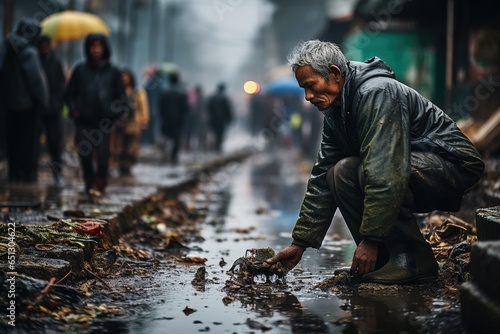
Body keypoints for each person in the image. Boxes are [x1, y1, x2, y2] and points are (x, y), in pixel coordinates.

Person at [263, 40, 485, 284]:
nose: (307, 97)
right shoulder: (335, 112)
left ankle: (412, 260)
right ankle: (383, 261)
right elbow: (322, 178)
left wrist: (370, 239)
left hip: (453, 165)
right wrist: (300, 244)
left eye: (310, 86)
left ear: (335, 75)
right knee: (339, 173)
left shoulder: (376, 92)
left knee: (367, 171)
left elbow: (385, 170)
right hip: (410, 165)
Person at [64, 33, 127, 196]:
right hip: (84, 120)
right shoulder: (80, 70)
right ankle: (88, 181)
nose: (96, 50)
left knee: (103, 156)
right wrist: (74, 110)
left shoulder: (113, 72)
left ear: (105, 48)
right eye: (93, 46)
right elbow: (69, 94)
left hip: (105, 122)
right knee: (84, 153)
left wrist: (114, 113)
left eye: (99, 46)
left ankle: (100, 184)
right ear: (88, 48)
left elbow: (121, 98)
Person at [0, 18, 48, 182]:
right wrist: (43, 101)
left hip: (8, 104)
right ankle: (26, 176)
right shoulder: (29, 52)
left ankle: (14, 174)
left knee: (12, 142)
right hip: (28, 106)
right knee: (27, 144)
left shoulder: (7, 49)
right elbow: (35, 81)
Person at [36, 34, 66, 185]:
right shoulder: (35, 60)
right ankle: (33, 172)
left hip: (53, 111)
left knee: (55, 144)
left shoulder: (56, 62)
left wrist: (56, 103)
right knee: (34, 143)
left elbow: (61, 85)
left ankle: (57, 173)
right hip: (38, 109)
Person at [113, 68, 150, 176]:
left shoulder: (138, 92)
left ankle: (127, 166)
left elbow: (144, 107)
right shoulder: (117, 91)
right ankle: (120, 165)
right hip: (119, 122)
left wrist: (145, 121)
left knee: (131, 147)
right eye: (122, 76)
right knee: (119, 146)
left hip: (134, 122)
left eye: (126, 76)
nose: (124, 79)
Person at [158, 72, 189, 164]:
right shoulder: (182, 93)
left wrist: (163, 116)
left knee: (166, 137)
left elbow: (160, 106)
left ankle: (164, 152)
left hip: (166, 119)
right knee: (176, 138)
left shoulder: (164, 92)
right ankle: (173, 156)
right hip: (178, 120)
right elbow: (185, 108)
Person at [207, 82, 233, 152]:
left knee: (213, 132)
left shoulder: (212, 97)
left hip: (213, 118)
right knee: (220, 133)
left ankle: (213, 146)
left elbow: (208, 108)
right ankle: (218, 146)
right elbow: (227, 109)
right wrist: (229, 118)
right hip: (222, 119)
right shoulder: (224, 98)